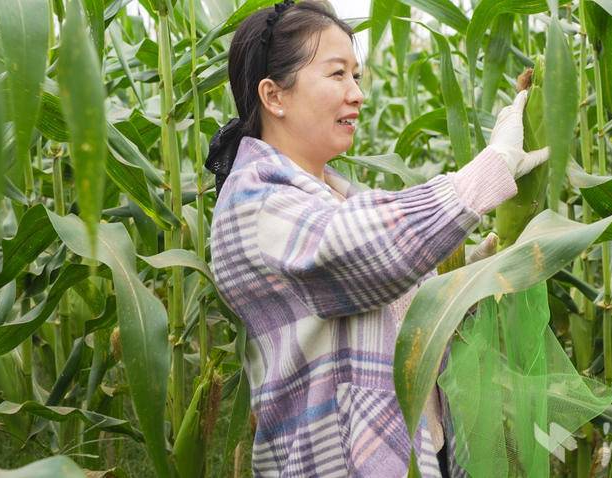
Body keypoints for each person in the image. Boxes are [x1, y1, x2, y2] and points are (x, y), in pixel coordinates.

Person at [206, 1, 549, 476]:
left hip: (420, 451)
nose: (357, 94)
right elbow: (360, 252)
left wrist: (468, 272)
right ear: (274, 95)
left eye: (357, 76)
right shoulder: (254, 202)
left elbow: (393, 300)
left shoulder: (335, 196)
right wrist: (491, 169)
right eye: (337, 74)